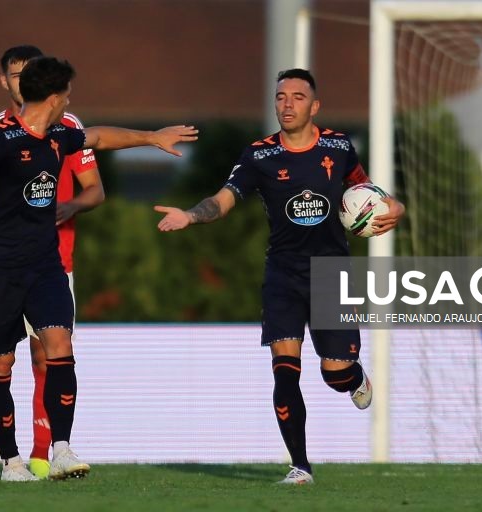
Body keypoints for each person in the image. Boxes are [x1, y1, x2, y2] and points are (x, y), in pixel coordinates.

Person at [0, 55, 197, 481]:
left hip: (46, 266)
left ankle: (60, 448)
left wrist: (151, 137)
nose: (69, 102)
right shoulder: (1, 139)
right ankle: (12, 462)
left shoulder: (60, 134)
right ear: (53, 97)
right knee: (0, 366)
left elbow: (98, 136)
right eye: (67, 95)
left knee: (59, 348)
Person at [154, 68, 404, 485]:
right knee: (285, 369)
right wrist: (191, 215)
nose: (287, 105)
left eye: (297, 97)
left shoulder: (338, 147)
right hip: (283, 274)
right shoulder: (260, 156)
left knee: (335, 373)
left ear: (315, 106)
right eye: (281, 97)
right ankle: (300, 466)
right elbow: (224, 199)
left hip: (332, 274)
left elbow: (369, 192)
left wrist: (397, 208)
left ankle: (354, 376)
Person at [0, 45, 105, 480]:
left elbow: (95, 184)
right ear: (4, 81)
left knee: (53, 352)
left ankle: (50, 454)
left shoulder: (67, 128)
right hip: (0, 266)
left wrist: (72, 205)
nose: (22, 80)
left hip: (53, 261)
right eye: (15, 73)